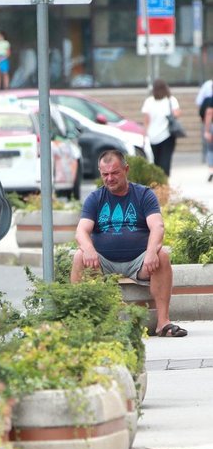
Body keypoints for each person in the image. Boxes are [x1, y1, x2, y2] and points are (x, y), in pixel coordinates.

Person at [72, 150, 187, 337]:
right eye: (105, 174)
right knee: (79, 257)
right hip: (103, 262)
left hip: (139, 262)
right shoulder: (95, 198)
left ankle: (163, 323)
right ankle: (83, 324)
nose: (109, 178)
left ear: (126, 169)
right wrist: (89, 249)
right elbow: (81, 231)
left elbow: (157, 226)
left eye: (115, 173)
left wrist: (151, 251)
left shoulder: (144, 195)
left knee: (162, 256)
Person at [140, 79, 179, 176]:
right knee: (166, 161)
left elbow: (146, 120)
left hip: (152, 136)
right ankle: (164, 184)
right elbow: (177, 113)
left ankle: (158, 183)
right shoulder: (171, 100)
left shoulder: (148, 101)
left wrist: (144, 135)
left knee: (156, 162)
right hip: (167, 135)